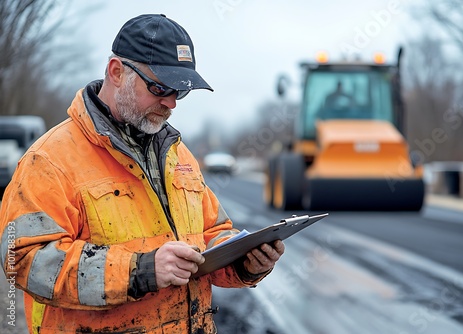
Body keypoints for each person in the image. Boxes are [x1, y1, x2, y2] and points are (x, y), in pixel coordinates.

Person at [0, 14, 284, 333]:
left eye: (180, 91)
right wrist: (141, 270)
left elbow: (210, 234)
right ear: (116, 72)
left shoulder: (179, 155)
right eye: (160, 87)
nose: (171, 103)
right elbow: (24, 261)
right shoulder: (50, 159)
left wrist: (244, 262)